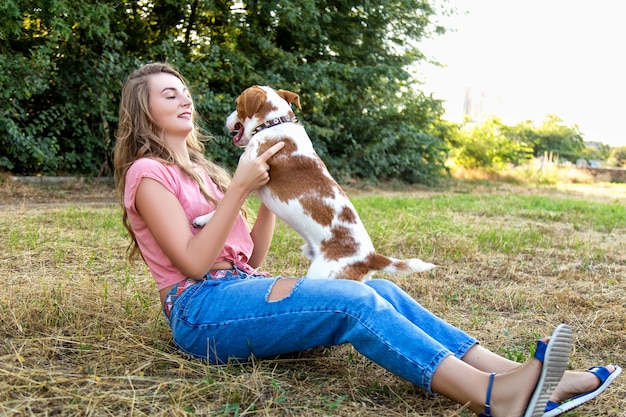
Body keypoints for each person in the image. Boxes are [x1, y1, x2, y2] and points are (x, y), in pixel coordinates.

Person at [113, 62, 620, 417]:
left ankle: (523, 376)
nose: (186, 99)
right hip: (200, 311)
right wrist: (242, 187)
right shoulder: (148, 172)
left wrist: (263, 194)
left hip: (239, 290)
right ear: (143, 110)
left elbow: (253, 256)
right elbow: (196, 266)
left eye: (185, 91)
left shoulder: (206, 171)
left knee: (383, 291)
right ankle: (493, 396)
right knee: (355, 302)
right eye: (169, 93)